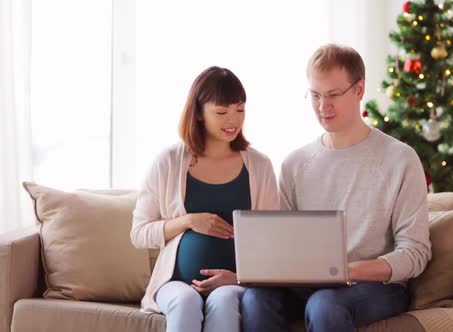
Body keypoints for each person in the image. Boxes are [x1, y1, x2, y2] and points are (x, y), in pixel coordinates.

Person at [241, 44, 432, 332]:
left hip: (376, 286)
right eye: (315, 95)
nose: (322, 106)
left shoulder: (399, 159)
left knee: (325, 305)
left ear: (359, 90)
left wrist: (348, 271)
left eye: (332, 95)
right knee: (255, 300)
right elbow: (282, 249)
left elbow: (415, 252)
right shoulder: (295, 164)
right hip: (308, 284)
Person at [130, 66, 279, 332]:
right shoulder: (167, 163)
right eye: (221, 112)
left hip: (232, 283)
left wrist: (237, 279)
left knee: (223, 302)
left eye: (240, 110)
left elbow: (271, 242)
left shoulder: (260, 166)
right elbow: (139, 233)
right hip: (176, 283)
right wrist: (188, 221)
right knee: (185, 302)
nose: (233, 120)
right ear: (198, 112)